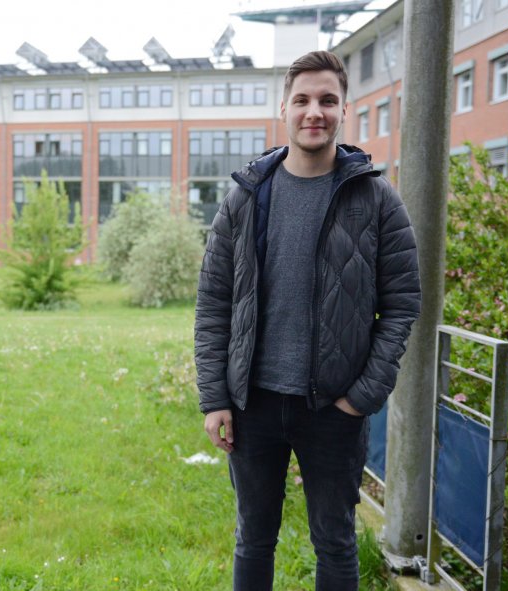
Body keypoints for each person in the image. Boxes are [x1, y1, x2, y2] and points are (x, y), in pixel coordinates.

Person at [194, 50, 421, 591]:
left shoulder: (377, 200)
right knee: (253, 538)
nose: (313, 111)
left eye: (326, 100)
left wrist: (361, 396)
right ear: (284, 110)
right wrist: (215, 397)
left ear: (346, 109)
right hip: (254, 403)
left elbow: (403, 302)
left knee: (336, 541)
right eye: (302, 100)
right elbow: (214, 301)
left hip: (334, 408)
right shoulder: (245, 198)